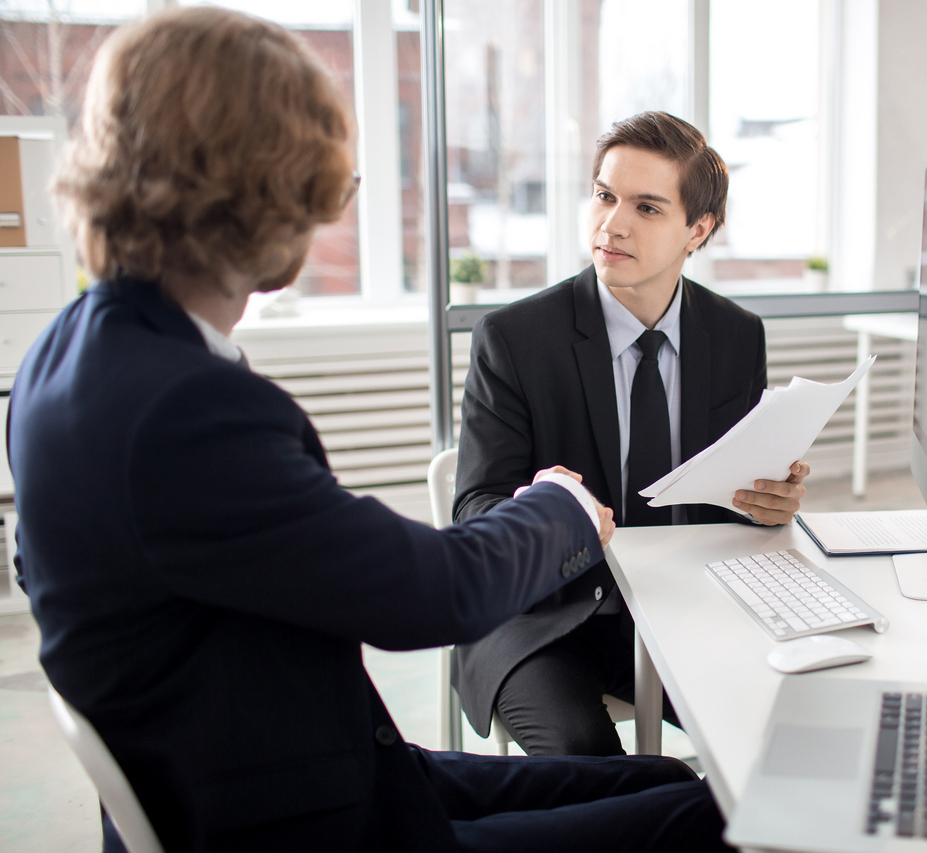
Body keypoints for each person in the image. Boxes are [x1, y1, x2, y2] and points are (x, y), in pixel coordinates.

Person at [9, 10, 731, 852]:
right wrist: (562, 508)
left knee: (668, 778)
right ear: (265, 189)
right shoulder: (182, 407)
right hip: (303, 819)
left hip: (296, 761)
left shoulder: (67, 352)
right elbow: (433, 591)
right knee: (716, 816)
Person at [453, 111, 810, 757]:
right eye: (604, 195)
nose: (612, 223)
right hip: (545, 614)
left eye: (646, 206)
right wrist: (541, 508)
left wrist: (770, 502)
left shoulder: (735, 336)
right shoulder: (513, 339)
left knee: (784, 728)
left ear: (697, 229)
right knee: (583, 757)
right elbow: (474, 509)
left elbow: (731, 499)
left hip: (688, 605)